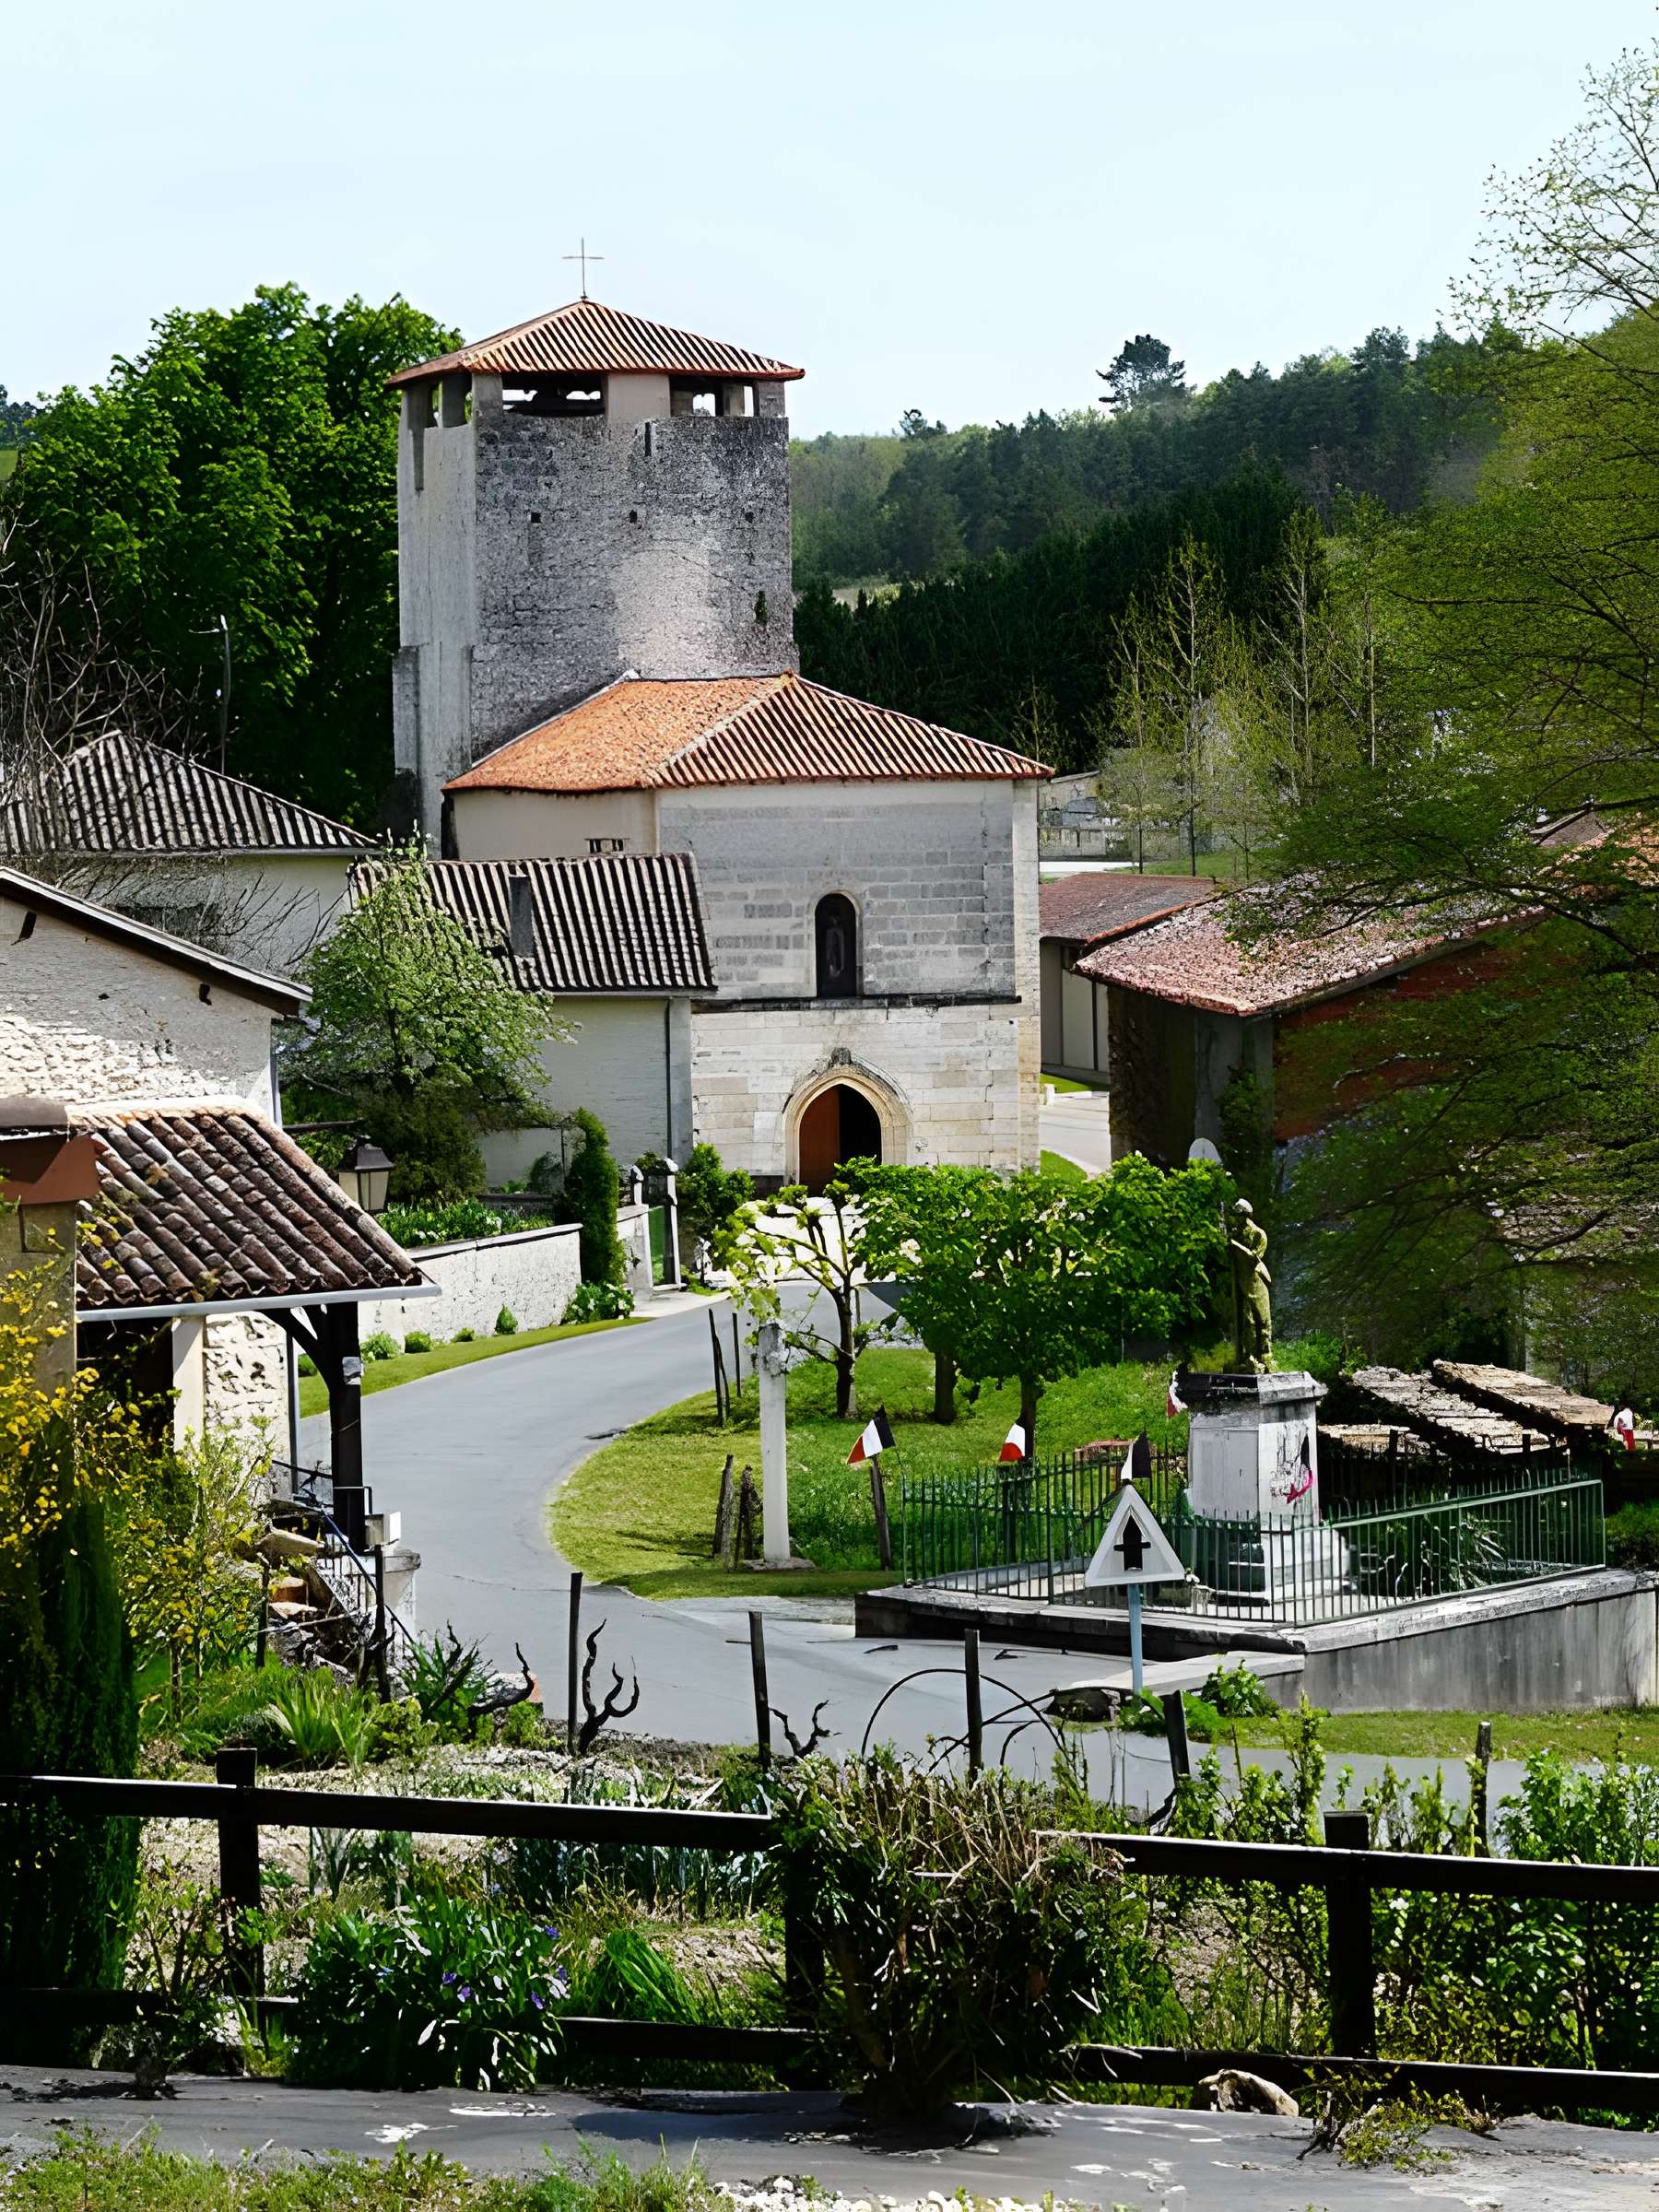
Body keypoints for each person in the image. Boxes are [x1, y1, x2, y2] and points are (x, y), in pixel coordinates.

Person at [1229, 1198, 1273, 1373]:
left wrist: (1235, 1245)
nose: (1235, 1219)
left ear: (1244, 1216)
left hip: (1255, 1279)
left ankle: (1264, 1355)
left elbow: (1254, 1257)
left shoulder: (1258, 1234)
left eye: (1237, 1215)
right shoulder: (1236, 1234)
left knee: (1262, 1317)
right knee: (1246, 1320)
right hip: (1240, 1281)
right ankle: (1248, 1355)